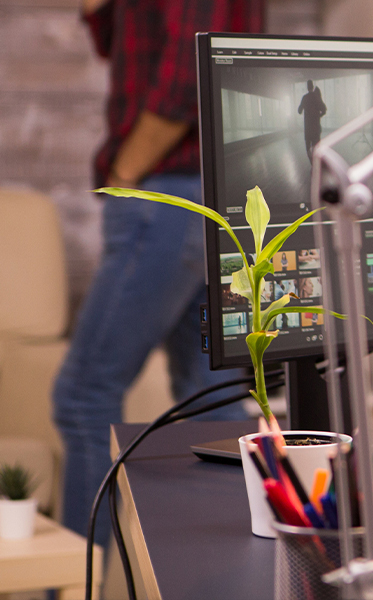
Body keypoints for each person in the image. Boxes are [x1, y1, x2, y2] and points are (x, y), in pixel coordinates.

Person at [56, 0, 263, 538]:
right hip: (210, 196)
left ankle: (86, 587)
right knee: (213, 398)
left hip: (168, 197)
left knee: (83, 396)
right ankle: (242, 576)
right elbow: (132, 50)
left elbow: (182, 81)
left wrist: (126, 171)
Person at [298, 79, 328, 157]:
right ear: (313, 86)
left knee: (308, 148)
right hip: (316, 127)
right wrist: (318, 116)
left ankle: (312, 163)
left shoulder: (304, 98)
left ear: (307, 87)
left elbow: (299, 111)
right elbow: (324, 110)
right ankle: (316, 163)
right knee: (316, 147)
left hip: (308, 128)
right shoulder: (317, 97)